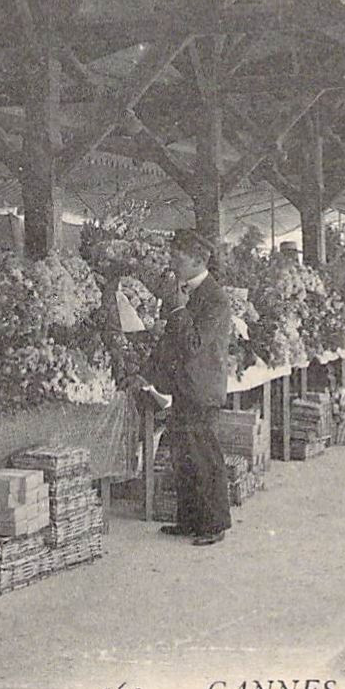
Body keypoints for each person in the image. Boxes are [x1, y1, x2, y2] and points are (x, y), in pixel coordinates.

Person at [145, 229, 232, 546]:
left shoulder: (215, 298)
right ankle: (189, 520)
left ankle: (214, 525)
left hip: (202, 388)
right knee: (183, 454)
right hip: (183, 385)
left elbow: (195, 344)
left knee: (204, 455)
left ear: (197, 259)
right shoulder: (184, 290)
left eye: (177, 256)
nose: (171, 261)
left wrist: (179, 311)